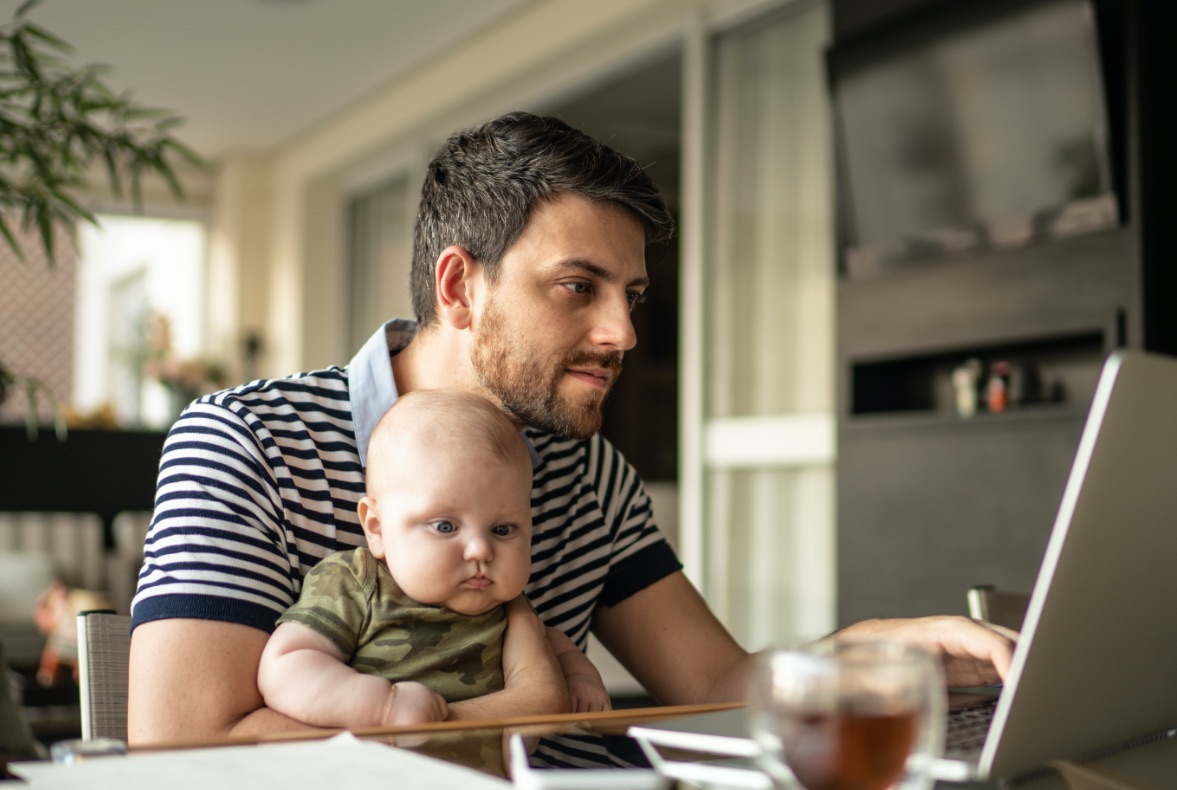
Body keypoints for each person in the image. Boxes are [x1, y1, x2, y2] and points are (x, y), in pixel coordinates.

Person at [128, 111, 1015, 756]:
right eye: (577, 287)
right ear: (459, 289)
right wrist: (499, 718)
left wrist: (870, 650)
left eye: (628, 297)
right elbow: (179, 750)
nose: (623, 335)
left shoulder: (591, 478)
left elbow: (710, 687)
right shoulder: (249, 440)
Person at [256, 390, 609, 730]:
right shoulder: (357, 583)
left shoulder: (505, 607)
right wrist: (382, 705)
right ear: (377, 528)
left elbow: (557, 647)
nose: (481, 550)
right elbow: (287, 664)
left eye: (503, 529)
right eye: (445, 526)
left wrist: (580, 678)